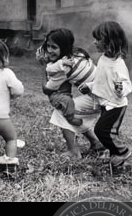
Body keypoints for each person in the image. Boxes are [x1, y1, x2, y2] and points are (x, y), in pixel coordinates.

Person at [37, 28, 103, 159]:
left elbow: (47, 89)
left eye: (54, 47)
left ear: (64, 47)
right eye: (48, 46)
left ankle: (73, 152)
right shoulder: (77, 53)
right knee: (73, 110)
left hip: (100, 98)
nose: (49, 50)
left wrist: (43, 67)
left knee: (63, 111)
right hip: (102, 93)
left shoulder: (64, 68)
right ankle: (96, 143)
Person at [79, 21, 132, 167]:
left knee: (102, 130)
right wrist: (90, 86)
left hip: (116, 105)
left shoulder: (118, 65)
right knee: (106, 130)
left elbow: (127, 85)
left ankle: (122, 151)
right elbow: (101, 81)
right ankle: (115, 154)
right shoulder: (103, 59)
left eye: (98, 39)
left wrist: (121, 89)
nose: (94, 42)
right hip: (106, 103)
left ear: (110, 42)